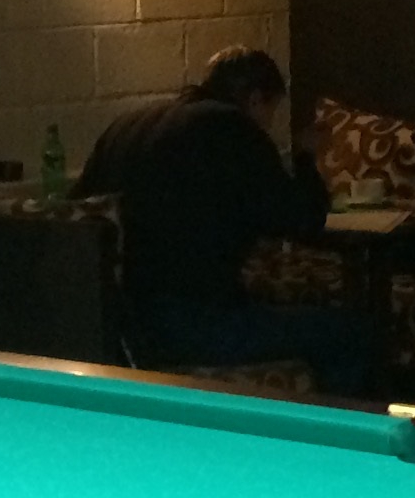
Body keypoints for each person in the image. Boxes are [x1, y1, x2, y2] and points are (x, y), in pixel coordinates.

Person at [80, 47, 370, 396]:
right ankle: (339, 429)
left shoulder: (126, 127)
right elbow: (301, 218)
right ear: (255, 99)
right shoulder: (231, 128)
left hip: (121, 326)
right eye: (271, 112)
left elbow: (82, 210)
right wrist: (307, 157)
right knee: (348, 333)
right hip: (194, 324)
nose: (269, 125)